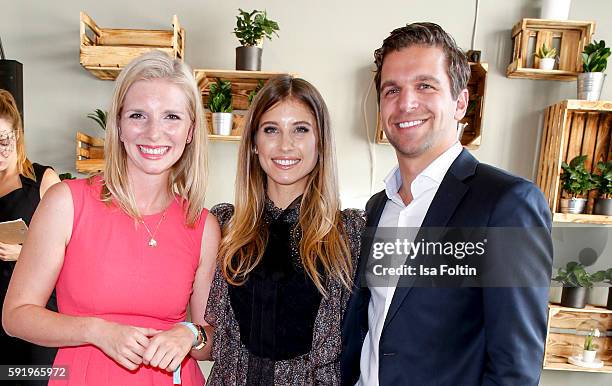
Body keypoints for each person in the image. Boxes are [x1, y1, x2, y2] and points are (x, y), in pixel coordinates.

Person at [341, 23, 553, 386]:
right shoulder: (378, 208)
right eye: (392, 89)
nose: (406, 102)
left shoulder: (506, 204)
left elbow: (515, 367)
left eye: (425, 85)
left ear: (460, 103)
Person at [2, 51, 219, 385]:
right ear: (118, 125)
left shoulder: (203, 225)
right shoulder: (67, 202)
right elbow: (16, 316)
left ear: (190, 131)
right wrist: (96, 330)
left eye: (172, 117)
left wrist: (190, 334)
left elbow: (212, 341)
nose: (154, 132)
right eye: (138, 115)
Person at [205, 75, 364, 385]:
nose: (285, 145)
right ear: (253, 143)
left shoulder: (352, 234)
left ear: (321, 142)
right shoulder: (223, 226)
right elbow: (210, 337)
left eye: (301, 130)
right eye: (271, 130)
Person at [0, 89, 61, 381]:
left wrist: (23, 254)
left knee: (36, 379)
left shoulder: (42, 181)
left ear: (17, 135)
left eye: (4, 140)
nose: (0, 149)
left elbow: (74, 251)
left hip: (37, 312)